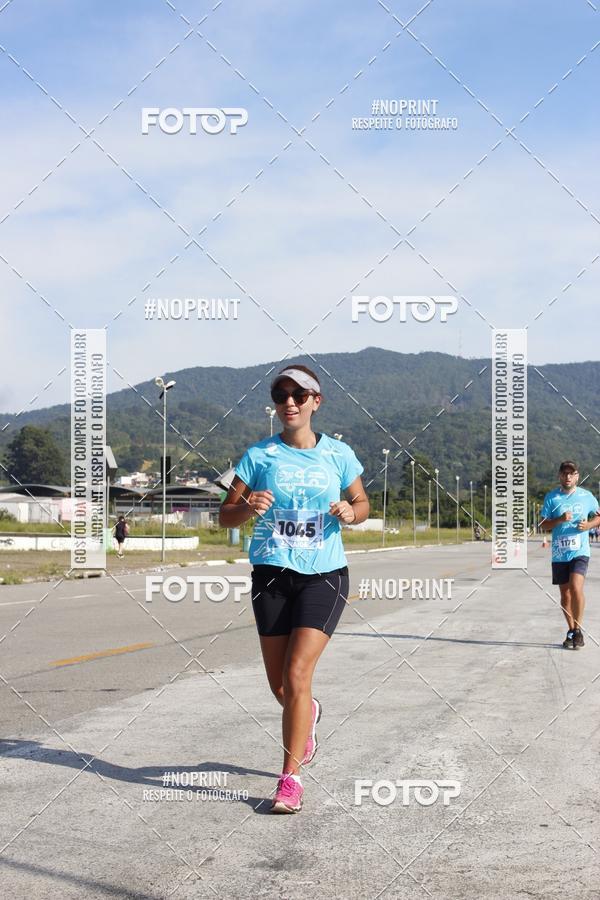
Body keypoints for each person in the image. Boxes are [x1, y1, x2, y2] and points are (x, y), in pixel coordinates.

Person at [219, 365, 369, 813]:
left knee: (298, 675)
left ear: (315, 402)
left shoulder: (339, 454)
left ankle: (290, 780)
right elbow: (225, 515)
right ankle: (309, 715)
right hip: (271, 575)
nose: (289, 402)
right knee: (280, 685)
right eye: (281, 395)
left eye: (298, 396)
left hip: (323, 574)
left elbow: (362, 504)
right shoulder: (258, 456)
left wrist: (349, 511)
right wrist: (246, 507)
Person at [540, 461, 600, 650]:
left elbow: (598, 516)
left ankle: (578, 630)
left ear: (577, 476)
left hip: (580, 552)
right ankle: (572, 630)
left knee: (575, 587)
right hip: (559, 554)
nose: (567, 477)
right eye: (564, 473)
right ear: (559, 475)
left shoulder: (587, 496)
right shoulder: (552, 497)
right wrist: (558, 520)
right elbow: (543, 524)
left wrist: (589, 525)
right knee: (565, 595)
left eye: (571, 473)